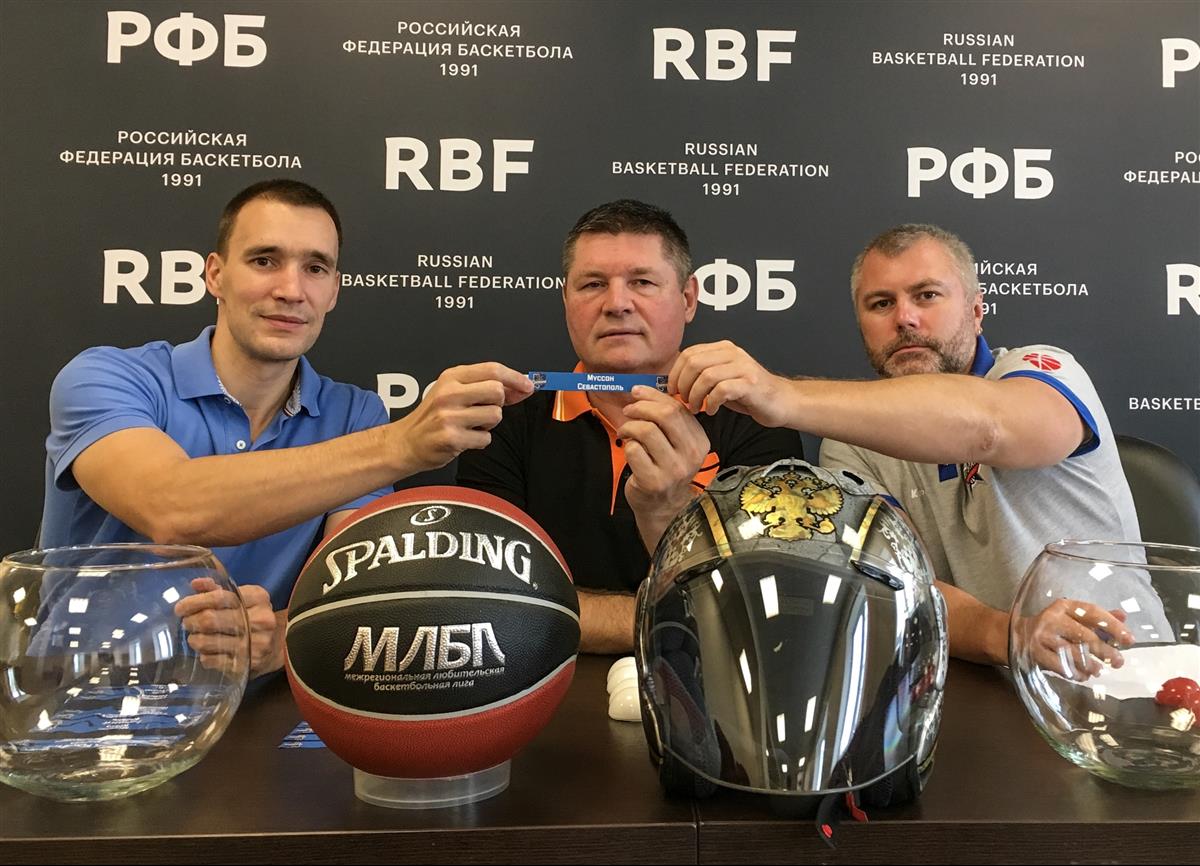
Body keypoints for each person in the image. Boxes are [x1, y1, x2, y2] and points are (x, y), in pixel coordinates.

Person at [42, 178, 533, 677]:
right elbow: (171, 506)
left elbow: (356, 589)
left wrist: (278, 637)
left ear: (334, 290)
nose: (291, 291)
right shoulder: (106, 377)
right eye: (264, 261)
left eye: (315, 268)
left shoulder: (355, 415)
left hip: (263, 708)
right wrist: (405, 442)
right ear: (215, 275)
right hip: (84, 703)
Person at [668, 223, 1147, 675]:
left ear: (976, 311)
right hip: (978, 683)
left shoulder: (1045, 371)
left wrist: (783, 396)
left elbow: (990, 427)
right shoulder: (849, 444)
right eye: (881, 304)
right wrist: (1011, 634)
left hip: (1131, 673)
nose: (905, 318)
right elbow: (907, 585)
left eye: (927, 295)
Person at [457, 200, 803, 654]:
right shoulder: (501, 423)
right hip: (543, 686)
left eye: (642, 282)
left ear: (688, 299)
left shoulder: (756, 420)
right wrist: (676, 619)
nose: (617, 304)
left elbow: (758, 613)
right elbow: (488, 602)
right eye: (593, 284)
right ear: (566, 301)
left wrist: (667, 508)